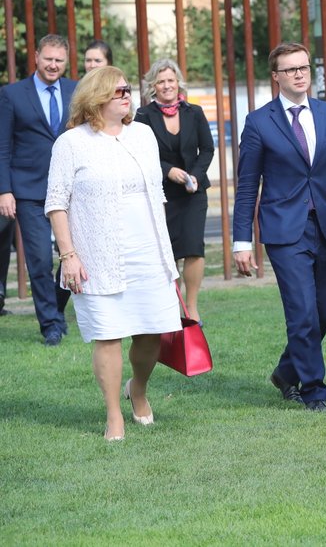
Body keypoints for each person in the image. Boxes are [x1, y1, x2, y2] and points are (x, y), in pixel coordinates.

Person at [45, 66, 181, 441]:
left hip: (148, 250)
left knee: (152, 331)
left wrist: (167, 254)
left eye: (128, 91)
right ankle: (113, 416)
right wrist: (68, 254)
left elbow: (157, 194)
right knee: (107, 334)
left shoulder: (144, 135)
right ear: (97, 97)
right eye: (119, 91)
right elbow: (56, 203)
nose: (127, 96)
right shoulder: (71, 143)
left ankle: (137, 388)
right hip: (96, 255)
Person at [232, 42, 326, 412]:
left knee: (325, 309)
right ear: (276, 76)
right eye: (291, 69)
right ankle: (314, 390)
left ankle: (286, 371)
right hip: (283, 230)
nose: (300, 74)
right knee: (302, 311)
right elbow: (247, 186)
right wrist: (241, 241)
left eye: (304, 67)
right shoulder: (259, 122)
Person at [0, 34, 77, 345]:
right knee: (40, 261)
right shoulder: (12, 94)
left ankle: (56, 310)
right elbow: (3, 146)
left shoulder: (76, 90)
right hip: (29, 193)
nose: (53, 65)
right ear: (36, 57)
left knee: (73, 256)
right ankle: (50, 325)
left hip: (70, 191)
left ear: (66, 61)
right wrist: (5, 190)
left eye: (59, 60)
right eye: (48, 59)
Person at [135, 59, 215, 321]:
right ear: (153, 86)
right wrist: (167, 170)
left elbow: (207, 149)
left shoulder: (195, 112)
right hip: (162, 194)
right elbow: (141, 155)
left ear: (178, 82)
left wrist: (195, 175)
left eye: (171, 80)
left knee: (193, 247)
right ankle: (171, 303)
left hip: (193, 193)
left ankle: (190, 308)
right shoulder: (143, 116)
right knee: (167, 251)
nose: (167, 85)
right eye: (161, 81)